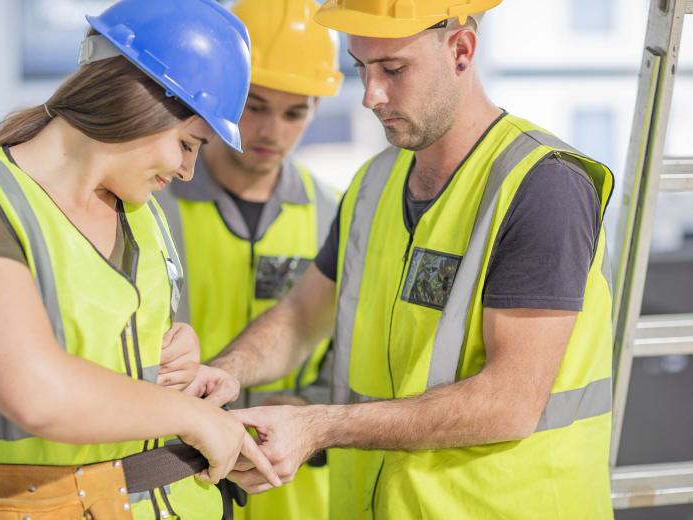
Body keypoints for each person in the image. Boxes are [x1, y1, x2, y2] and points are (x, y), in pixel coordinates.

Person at [200, 1, 616, 518]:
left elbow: (509, 403)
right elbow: (302, 317)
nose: (371, 96)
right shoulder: (374, 183)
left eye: (393, 69)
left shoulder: (543, 185)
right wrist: (224, 373)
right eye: (361, 68)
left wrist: (320, 427)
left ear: (461, 50)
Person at [0, 1, 280, 518]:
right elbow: (33, 393)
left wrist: (181, 371)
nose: (186, 170)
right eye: (187, 144)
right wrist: (193, 418)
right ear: (142, 102)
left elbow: (114, 363)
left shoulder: (144, 213)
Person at [154, 1, 341, 518]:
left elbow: (351, 343)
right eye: (255, 105)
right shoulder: (150, 204)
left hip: (291, 488)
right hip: (177, 477)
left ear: (315, 111)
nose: (271, 131)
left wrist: (307, 410)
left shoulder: (335, 213)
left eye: (294, 112)